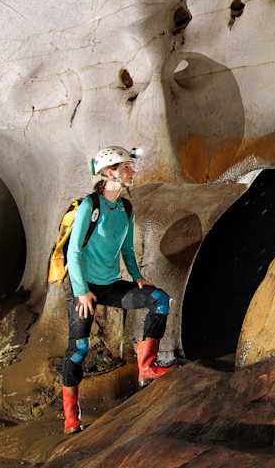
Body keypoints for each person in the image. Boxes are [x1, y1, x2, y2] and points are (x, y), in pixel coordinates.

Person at [61, 145, 176, 435]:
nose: (132, 171)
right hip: (84, 286)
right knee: (79, 349)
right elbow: (73, 253)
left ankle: (147, 367)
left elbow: (126, 249)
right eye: (126, 167)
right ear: (110, 172)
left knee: (159, 299)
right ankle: (71, 418)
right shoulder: (91, 205)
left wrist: (137, 277)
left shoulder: (126, 207)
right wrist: (82, 291)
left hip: (111, 285)